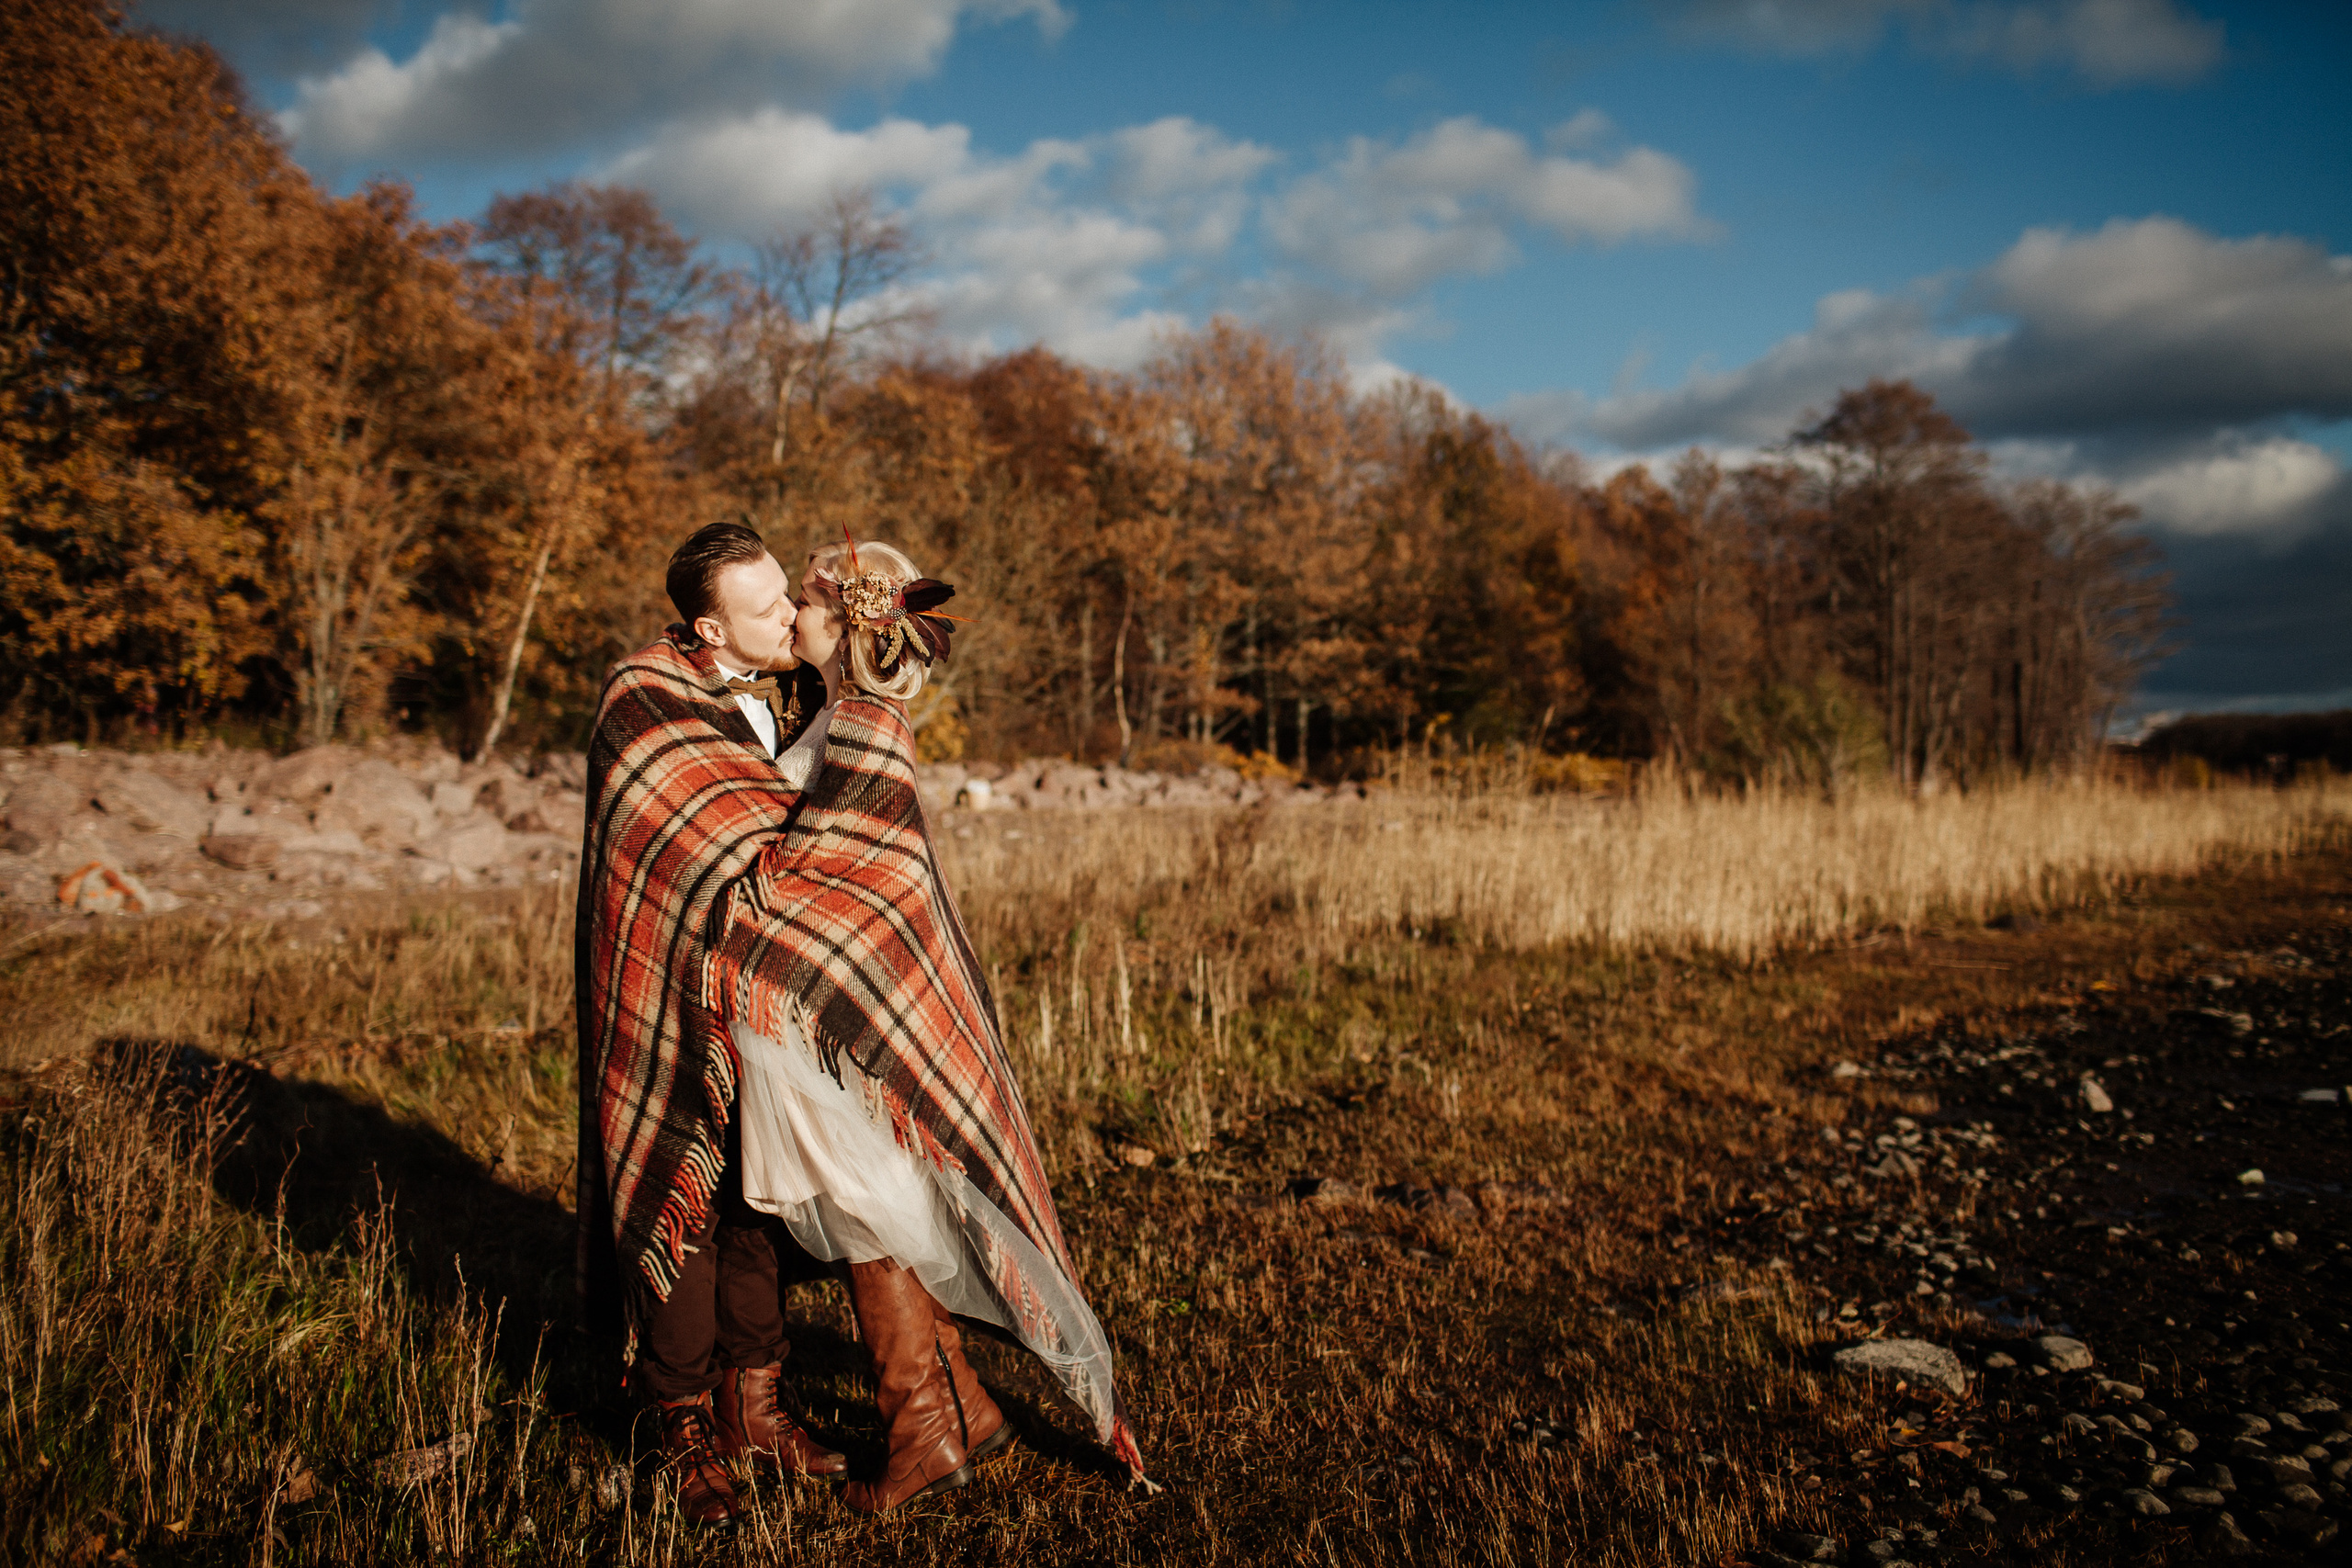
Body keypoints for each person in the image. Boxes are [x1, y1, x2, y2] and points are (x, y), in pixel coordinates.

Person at [701, 537, 1148, 1512]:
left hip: (824, 1017)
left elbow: (840, 879)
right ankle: (954, 1410)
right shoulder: (843, 713)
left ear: (842, 620)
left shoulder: (866, 725)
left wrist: (749, 911)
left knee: (866, 1203)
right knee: (869, 1202)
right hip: (817, 1016)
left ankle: (925, 1429)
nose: (789, 615)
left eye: (803, 602)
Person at [575, 520, 844, 1529]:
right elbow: (724, 827)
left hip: (765, 982)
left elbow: (820, 818)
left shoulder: (792, 692)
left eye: (787, 592)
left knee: (757, 1193)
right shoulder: (641, 694)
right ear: (706, 626)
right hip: (668, 986)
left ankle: (757, 1403)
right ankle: (678, 1419)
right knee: (678, 1186)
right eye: (767, 606)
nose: (789, 614)